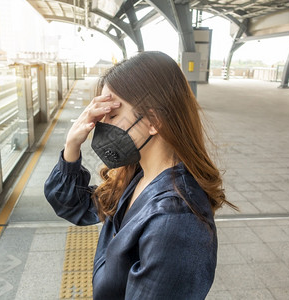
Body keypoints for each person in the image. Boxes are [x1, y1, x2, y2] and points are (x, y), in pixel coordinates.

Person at [44, 51, 238, 299]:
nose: (101, 126)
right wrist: (72, 145)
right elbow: (75, 205)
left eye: (112, 114)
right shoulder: (138, 176)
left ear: (154, 120)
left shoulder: (176, 220)